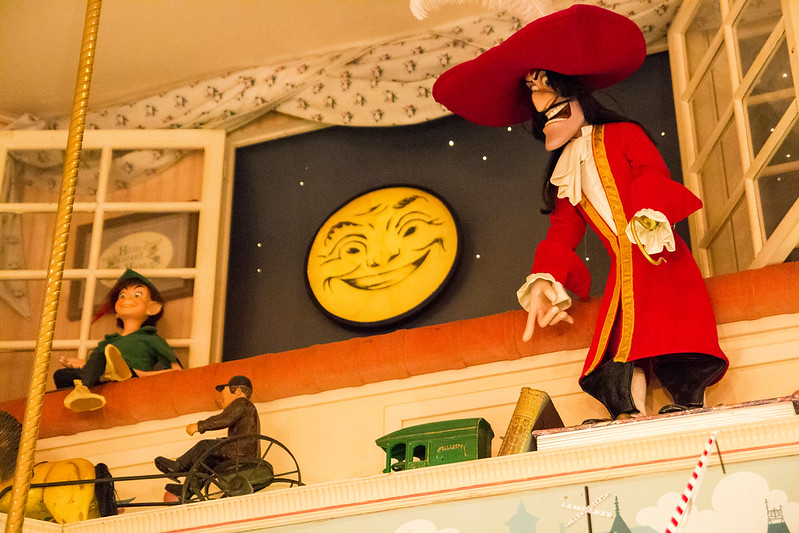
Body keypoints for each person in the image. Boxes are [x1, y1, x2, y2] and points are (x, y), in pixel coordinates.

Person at [432, 5, 728, 421]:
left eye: (546, 92)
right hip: (624, 269)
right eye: (533, 95)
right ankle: (628, 412)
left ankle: (687, 401)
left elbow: (650, 173)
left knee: (675, 332)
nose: (540, 105)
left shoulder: (623, 135)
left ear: (575, 95)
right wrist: (544, 279)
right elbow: (562, 229)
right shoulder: (565, 170)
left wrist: (649, 214)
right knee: (615, 351)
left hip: (660, 259)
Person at [54, 269, 181, 412]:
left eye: (137, 294)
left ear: (152, 308)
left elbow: (176, 371)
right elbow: (95, 364)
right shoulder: (109, 342)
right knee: (60, 375)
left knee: (103, 357)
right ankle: (88, 388)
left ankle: (84, 388)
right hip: (104, 378)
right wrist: (82, 364)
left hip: (132, 376)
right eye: (122, 295)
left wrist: (139, 374)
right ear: (115, 311)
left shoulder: (150, 338)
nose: (126, 299)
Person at [154, 375, 261, 498]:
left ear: (237, 391)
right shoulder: (247, 407)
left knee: (204, 445)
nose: (221, 400)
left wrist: (199, 426)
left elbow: (224, 419)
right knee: (208, 460)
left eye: (223, 395)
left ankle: (178, 467)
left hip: (239, 451)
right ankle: (188, 489)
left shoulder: (242, 402)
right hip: (240, 451)